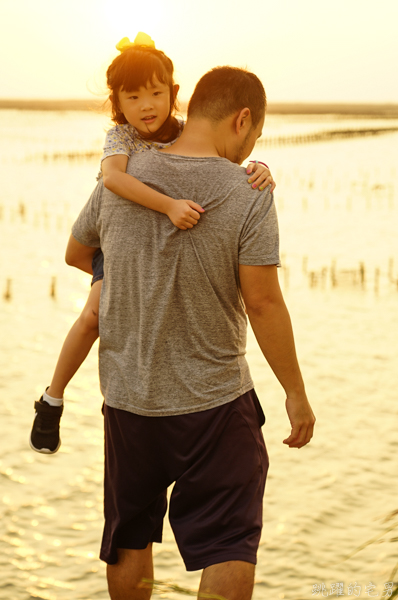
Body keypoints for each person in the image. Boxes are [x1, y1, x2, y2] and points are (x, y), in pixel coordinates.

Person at [66, 64, 315, 600]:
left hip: (130, 401)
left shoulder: (123, 174)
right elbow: (264, 301)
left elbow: (78, 252)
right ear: (242, 119)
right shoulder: (248, 191)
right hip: (216, 405)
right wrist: (295, 392)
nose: (252, 151)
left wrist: (135, 278)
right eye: (256, 136)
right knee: (229, 542)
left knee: (131, 537)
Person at [29, 33, 274, 454]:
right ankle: (52, 398)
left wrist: (260, 167)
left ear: (174, 95)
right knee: (91, 316)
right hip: (120, 247)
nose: (147, 106)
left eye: (157, 94)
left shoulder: (181, 132)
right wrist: (166, 211)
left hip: (143, 391)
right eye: (134, 97)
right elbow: (113, 180)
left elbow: (218, 149)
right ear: (117, 104)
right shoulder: (121, 140)